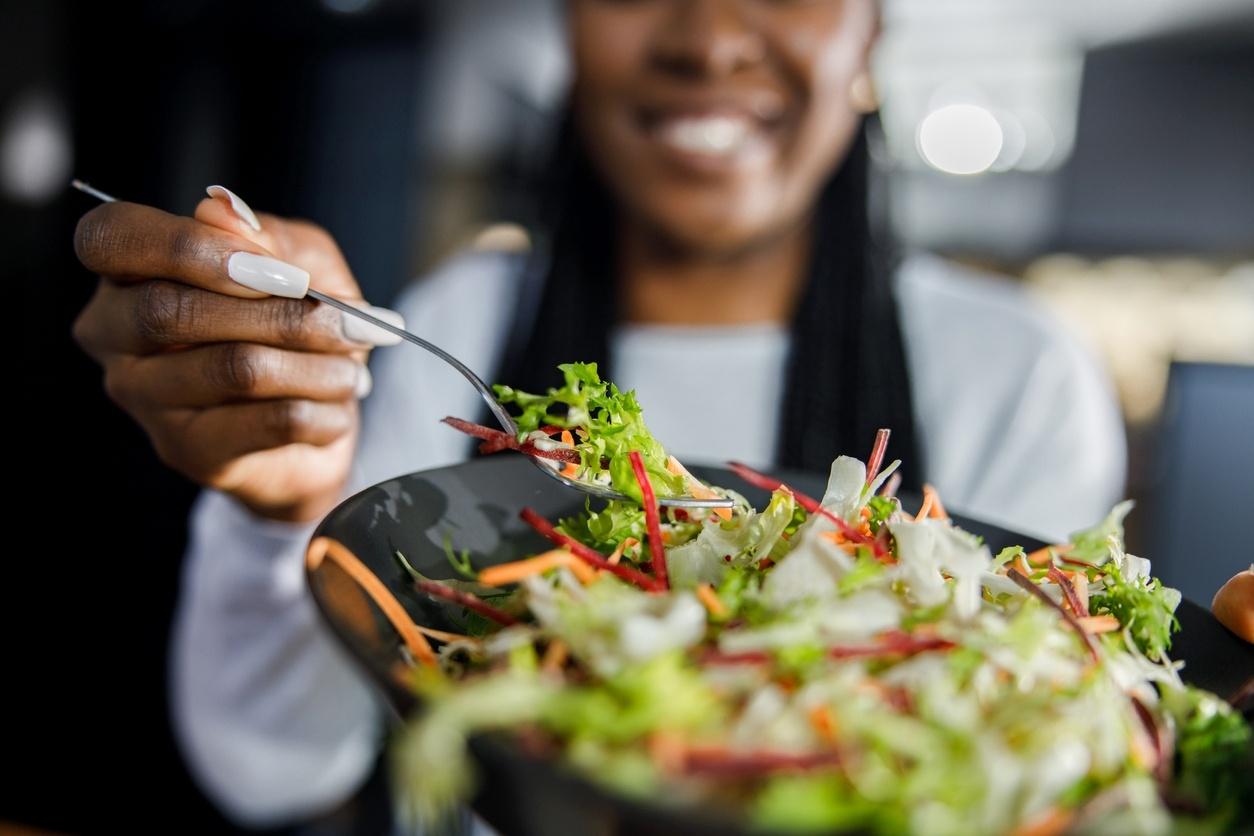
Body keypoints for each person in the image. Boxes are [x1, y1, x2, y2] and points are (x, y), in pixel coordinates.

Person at [70, 0, 1126, 827]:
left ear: (869, 35)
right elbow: (271, 771)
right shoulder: (457, 322)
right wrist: (283, 505)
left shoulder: (1017, 373)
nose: (709, 38)